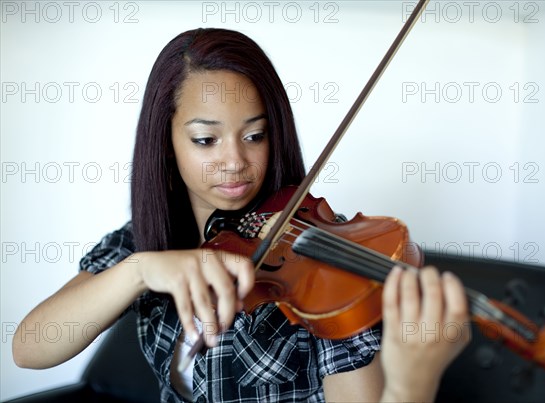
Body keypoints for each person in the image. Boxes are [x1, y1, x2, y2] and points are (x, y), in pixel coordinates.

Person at [12, 28, 470, 402]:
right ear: (166, 143)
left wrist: (412, 385)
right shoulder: (144, 240)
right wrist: (140, 271)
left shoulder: (322, 270)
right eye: (206, 140)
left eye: (254, 136)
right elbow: (29, 348)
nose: (234, 161)